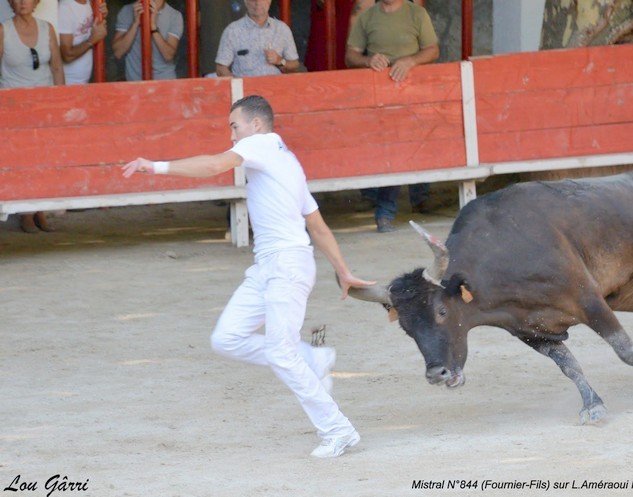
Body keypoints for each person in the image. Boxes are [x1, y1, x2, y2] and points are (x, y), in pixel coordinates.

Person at [121, 94, 374, 458]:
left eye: (234, 127)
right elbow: (316, 226)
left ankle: (338, 430)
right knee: (227, 339)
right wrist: (343, 270)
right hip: (269, 266)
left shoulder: (260, 144)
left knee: (281, 353)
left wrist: (156, 167)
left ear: (256, 125)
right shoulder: (288, 161)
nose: (231, 136)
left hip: (286, 265)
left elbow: (213, 166)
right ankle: (314, 360)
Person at [345, 0, 440, 232]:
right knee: (392, 150)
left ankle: (419, 197)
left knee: (417, 144)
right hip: (380, 96)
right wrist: (368, 60)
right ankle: (385, 211)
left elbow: (433, 50)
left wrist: (411, 60)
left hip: (414, 92)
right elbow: (351, 56)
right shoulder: (367, 17)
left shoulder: (417, 14)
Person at [1, 0, 64, 233]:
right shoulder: (3, 30)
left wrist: (61, 102)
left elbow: (57, 67)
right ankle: (26, 213)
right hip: (15, 107)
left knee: (45, 159)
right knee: (23, 161)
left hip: (45, 105)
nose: (22, 2)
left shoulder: (47, 28)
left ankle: (41, 210)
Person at [215, 0, 299, 77]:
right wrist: (237, 86)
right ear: (245, 2)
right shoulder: (232, 31)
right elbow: (221, 68)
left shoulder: (282, 29)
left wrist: (279, 61)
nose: (258, 3)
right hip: (246, 91)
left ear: (269, 1)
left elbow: (294, 65)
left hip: (276, 89)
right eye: (253, 0)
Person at [111, 0, 183, 81]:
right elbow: (118, 53)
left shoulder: (175, 16)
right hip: (135, 84)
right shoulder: (127, 10)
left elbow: (168, 56)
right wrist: (135, 23)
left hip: (164, 82)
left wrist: (153, 26)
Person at [58, 0, 108, 85]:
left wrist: (102, 16)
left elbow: (94, 32)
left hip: (85, 80)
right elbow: (67, 55)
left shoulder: (91, 3)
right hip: (69, 82)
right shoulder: (65, 8)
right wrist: (92, 40)